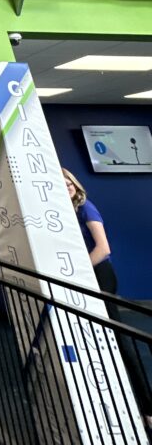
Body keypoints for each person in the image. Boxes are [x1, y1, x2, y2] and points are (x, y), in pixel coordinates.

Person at [63, 167, 152, 429]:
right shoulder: (64, 213)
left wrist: (80, 272)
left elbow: (103, 248)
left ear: (75, 184)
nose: (66, 185)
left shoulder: (86, 207)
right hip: (86, 274)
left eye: (68, 181)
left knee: (118, 338)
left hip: (100, 274)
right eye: (61, 182)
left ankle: (148, 407)